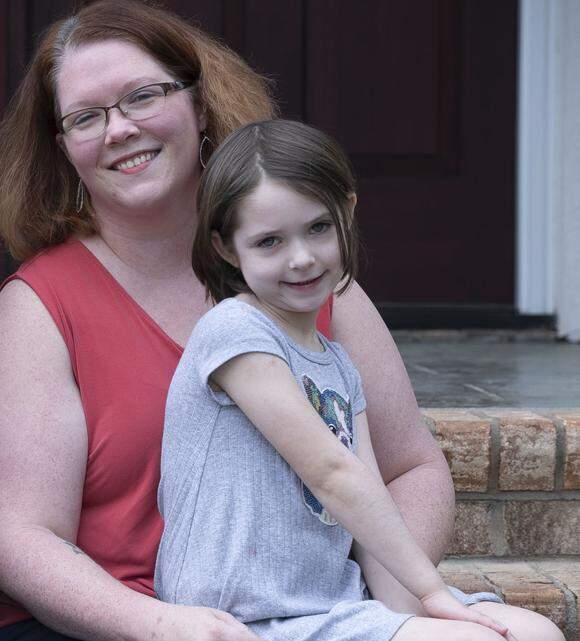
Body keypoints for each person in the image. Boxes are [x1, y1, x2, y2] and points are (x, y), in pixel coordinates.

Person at [0, 2, 527, 639]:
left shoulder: (309, 284)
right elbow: (18, 538)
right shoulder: (40, 307)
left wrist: (390, 607)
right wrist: (161, 626)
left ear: (200, 106)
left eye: (142, 96)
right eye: (85, 117)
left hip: (309, 609)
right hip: (115, 621)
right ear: (62, 147)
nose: (118, 129)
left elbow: (408, 470)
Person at [156, 119, 561, 641]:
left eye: (318, 228)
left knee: (535, 633)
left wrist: (411, 609)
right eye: (270, 241)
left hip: (330, 603)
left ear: (347, 213)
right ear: (228, 249)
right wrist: (433, 591)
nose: (301, 257)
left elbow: (365, 493)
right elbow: (331, 473)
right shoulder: (234, 330)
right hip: (243, 618)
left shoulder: (339, 365)